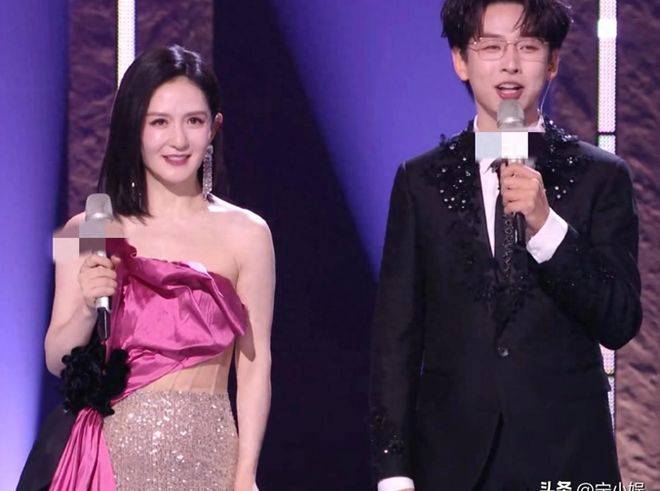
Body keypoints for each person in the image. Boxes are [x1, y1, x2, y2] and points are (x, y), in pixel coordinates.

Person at [369, 1, 642, 490]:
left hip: (567, 458)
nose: (510, 64)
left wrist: (546, 225)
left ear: (553, 62)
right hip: (452, 462)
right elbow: (396, 338)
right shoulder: (422, 181)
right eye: (491, 47)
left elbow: (619, 320)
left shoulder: (600, 177)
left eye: (528, 47)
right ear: (460, 60)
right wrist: (394, 472)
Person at [40, 45, 274, 490]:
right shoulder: (88, 228)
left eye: (194, 121)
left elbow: (255, 363)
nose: (178, 140)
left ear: (214, 127)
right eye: (159, 122)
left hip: (209, 459)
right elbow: (56, 358)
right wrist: (87, 307)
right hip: (105, 460)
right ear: (134, 128)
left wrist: (246, 473)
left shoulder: (248, 233)